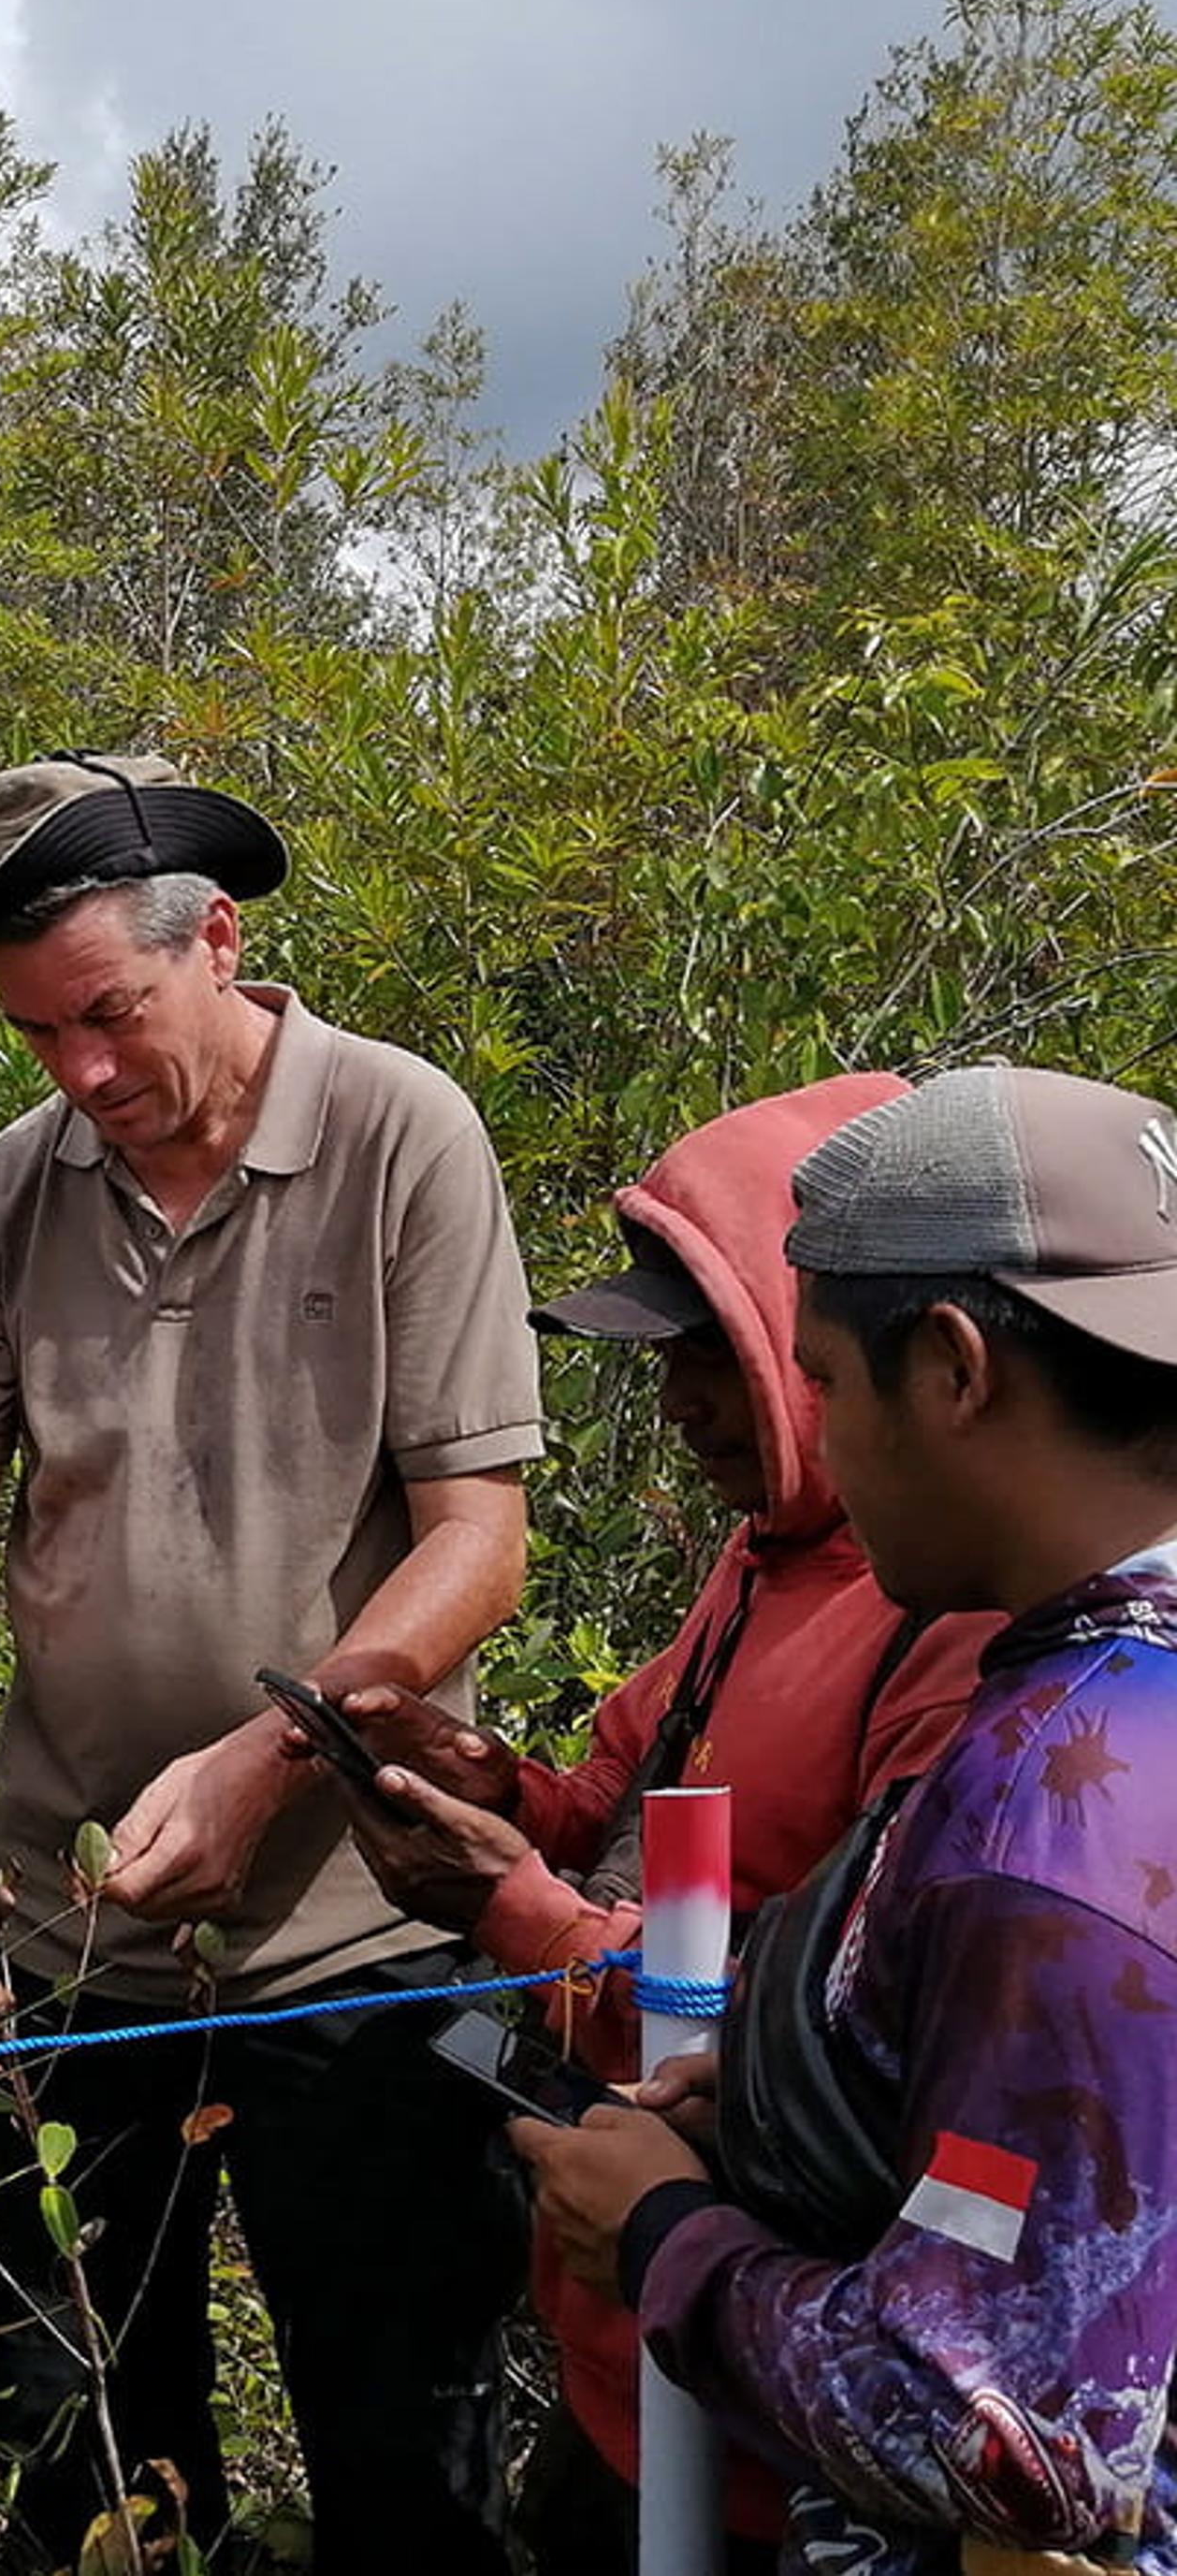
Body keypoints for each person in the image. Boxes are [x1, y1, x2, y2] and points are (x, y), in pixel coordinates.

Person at [0, 754, 545, 2575]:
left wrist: (267, 1760)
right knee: (91, 2470)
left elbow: (475, 1544)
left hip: (355, 1934)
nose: (82, 1075)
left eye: (109, 1018)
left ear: (220, 938)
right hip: (61, 1935)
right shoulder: (7, 1197)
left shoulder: (397, 1133)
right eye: (38, 1036)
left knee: (404, 2459)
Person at [320, 1076, 997, 2573]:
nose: (684, 1404)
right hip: (634, 2354)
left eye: (716, 1353)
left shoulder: (948, 1626)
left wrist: (511, 1906)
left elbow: (847, 2032)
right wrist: (505, 1796)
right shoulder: (766, 1561)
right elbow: (632, 1804)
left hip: (787, 2415)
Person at [516, 1064, 1177, 2572]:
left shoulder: (1060, 1817)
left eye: (821, 1378)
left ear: (950, 1367)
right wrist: (777, 2092)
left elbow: (1012, 2444)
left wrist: (673, 2241)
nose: (807, 1434)